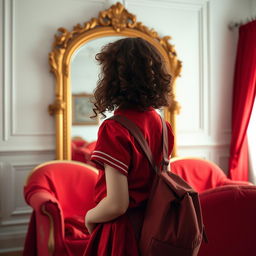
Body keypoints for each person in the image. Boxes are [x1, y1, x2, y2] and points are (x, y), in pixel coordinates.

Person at [83, 37, 174, 256]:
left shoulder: (114, 128)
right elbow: (164, 182)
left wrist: (89, 217)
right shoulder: (162, 124)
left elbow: (117, 204)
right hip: (155, 229)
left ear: (112, 77)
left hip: (123, 233)